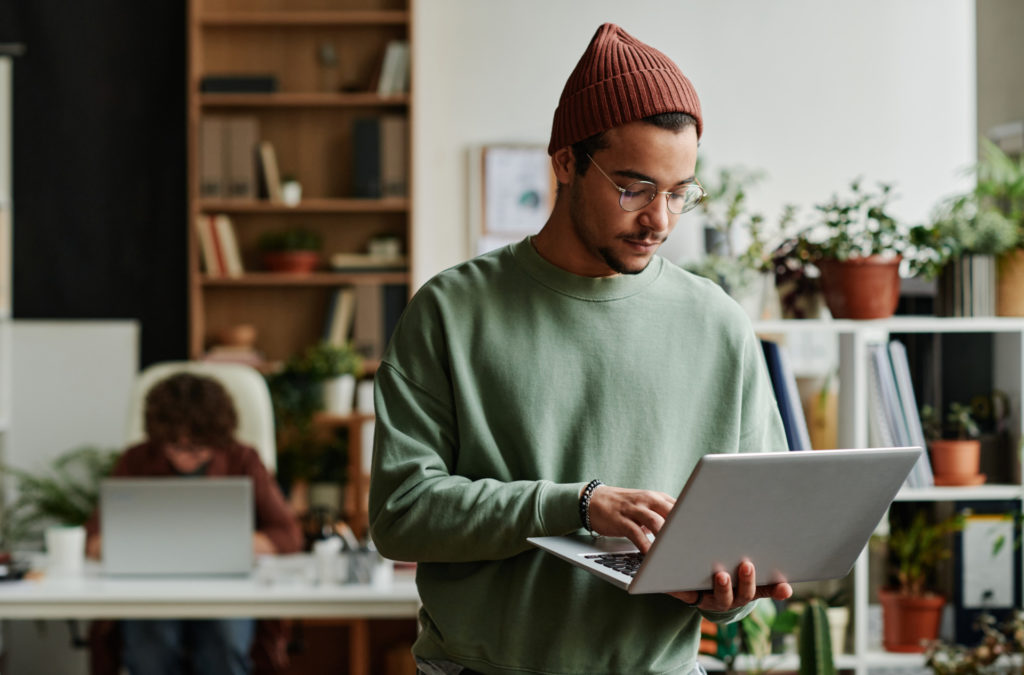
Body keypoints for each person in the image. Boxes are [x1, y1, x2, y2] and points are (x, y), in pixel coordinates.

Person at [369, 22, 792, 675]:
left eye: (680, 193)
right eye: (634, 187)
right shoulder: (449, 311)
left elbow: (756, 529)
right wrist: (575, 503)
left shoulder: (719, 324)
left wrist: (731, 594)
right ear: (565, 162)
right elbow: (401, 512)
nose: (660, 220)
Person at [85, 372, 303, 675]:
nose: (187, 457)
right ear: (159, 438)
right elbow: (93, 539)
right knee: (150, 646)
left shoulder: (242, 459)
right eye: (175, 446)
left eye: (198, 447)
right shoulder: (136, 460)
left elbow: (289, 535)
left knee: (224, 642)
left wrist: (227, 544)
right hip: (151, 588)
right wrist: (126, 546)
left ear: (218, 439)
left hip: (226, 588)